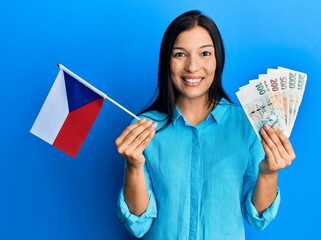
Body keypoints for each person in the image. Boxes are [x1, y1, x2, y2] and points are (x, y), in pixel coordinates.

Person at [115, 10, 295, 240]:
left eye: (205, 53)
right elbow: (138, 224)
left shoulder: (246, 124)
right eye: (180, 54)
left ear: (218, 59)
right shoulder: (144, 128)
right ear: (166, 61)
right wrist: (133, 166)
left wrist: (269, 173)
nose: (192, 67)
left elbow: (257, 217)